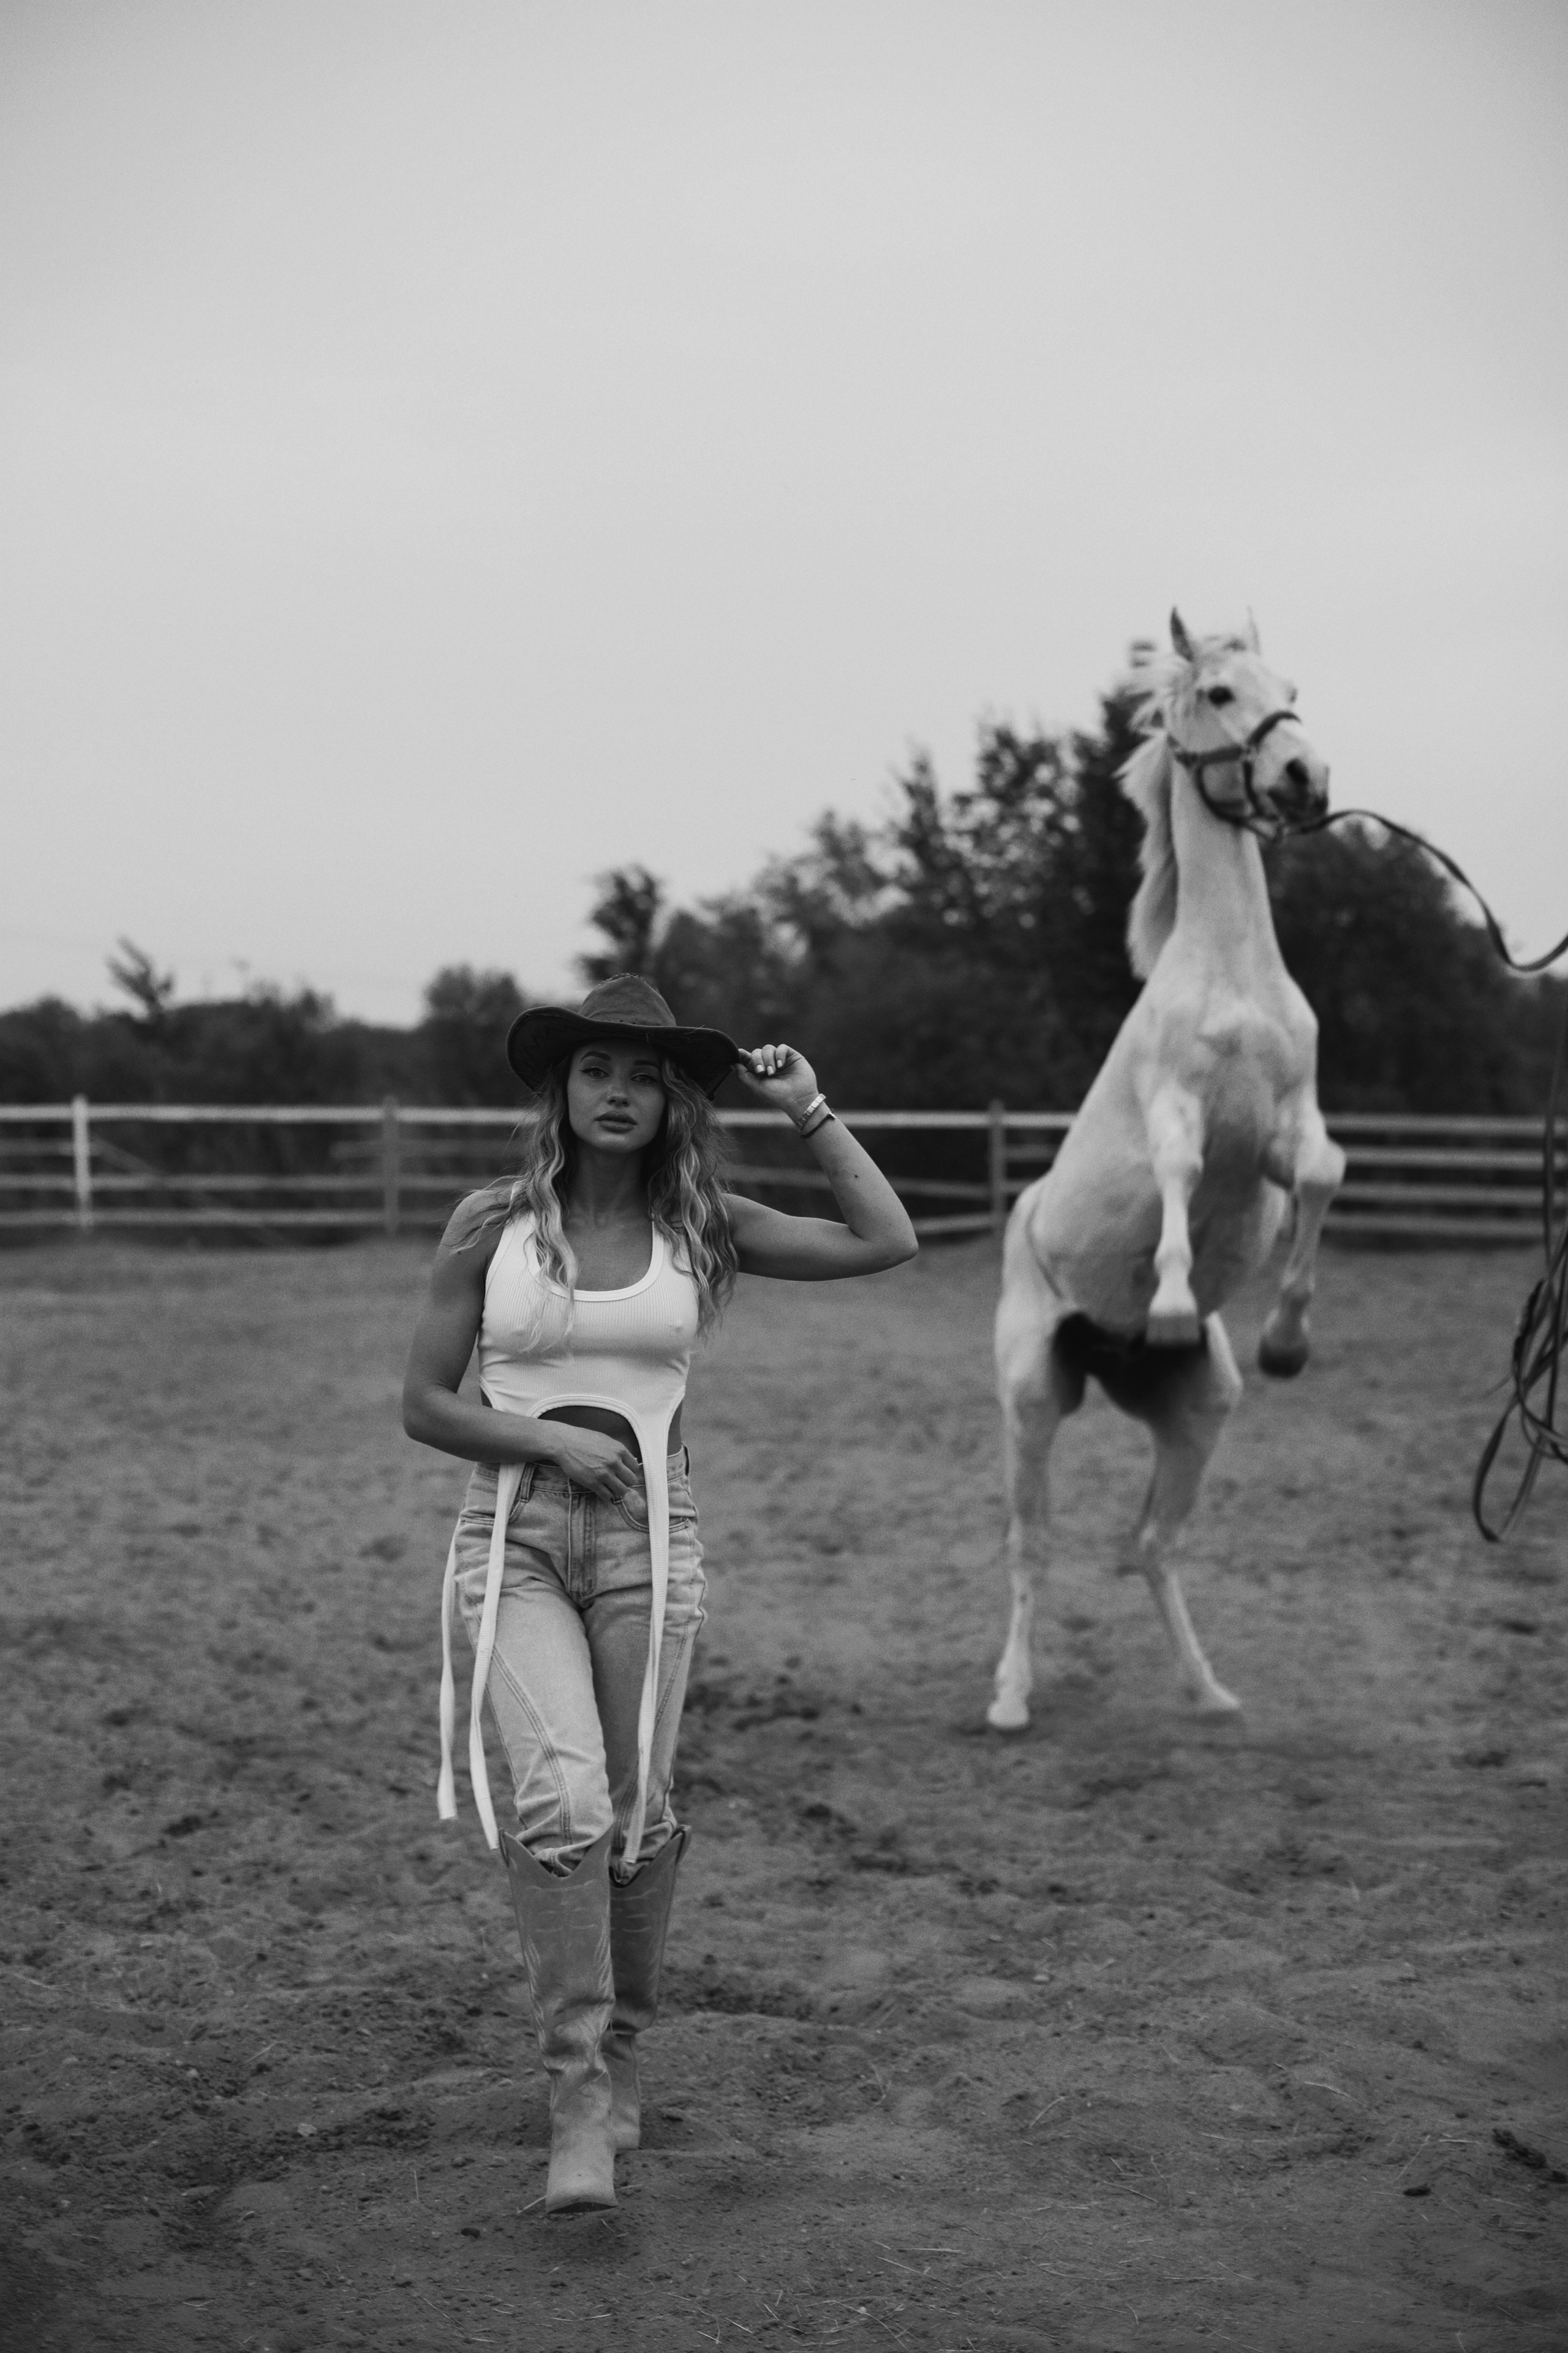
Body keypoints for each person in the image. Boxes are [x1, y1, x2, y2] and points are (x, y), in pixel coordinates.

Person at [401, 973, 918, 2214]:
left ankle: (623, 2050)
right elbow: (423, 1403)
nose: (618, 1093)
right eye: (596, 1071)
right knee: (562, 1794)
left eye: (641, 1075)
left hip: (653, 1546)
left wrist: (811, 1109)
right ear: (562, 1091)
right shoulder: (490, 1227)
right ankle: (575, 2095)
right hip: (512, 1540)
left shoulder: (704, 1223)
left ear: (669, 1098)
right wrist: (544, 1447)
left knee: (635, 1813)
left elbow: (886, 1240)